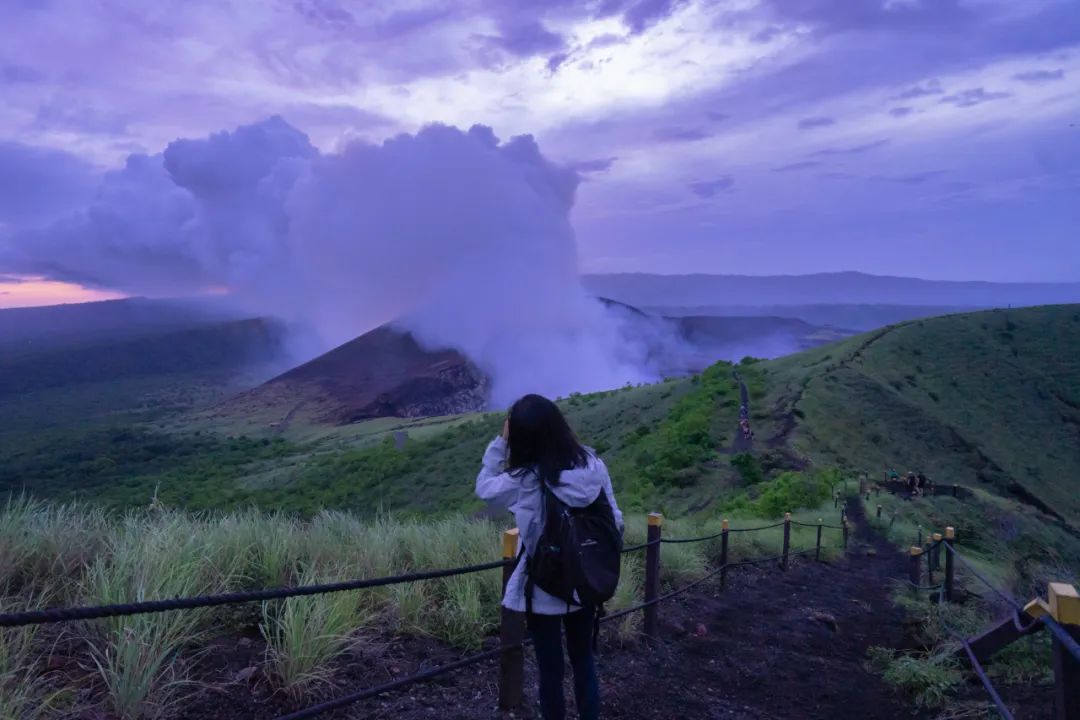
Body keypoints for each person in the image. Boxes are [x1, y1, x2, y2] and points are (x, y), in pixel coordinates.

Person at [476, 394, 623, 720]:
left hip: (543, 586)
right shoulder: (593, 465)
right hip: (585, 581)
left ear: (521, 437)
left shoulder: (525, 478)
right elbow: (616, 520)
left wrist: (500, 443)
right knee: (584, 662)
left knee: (550, 672)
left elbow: (484, 487)